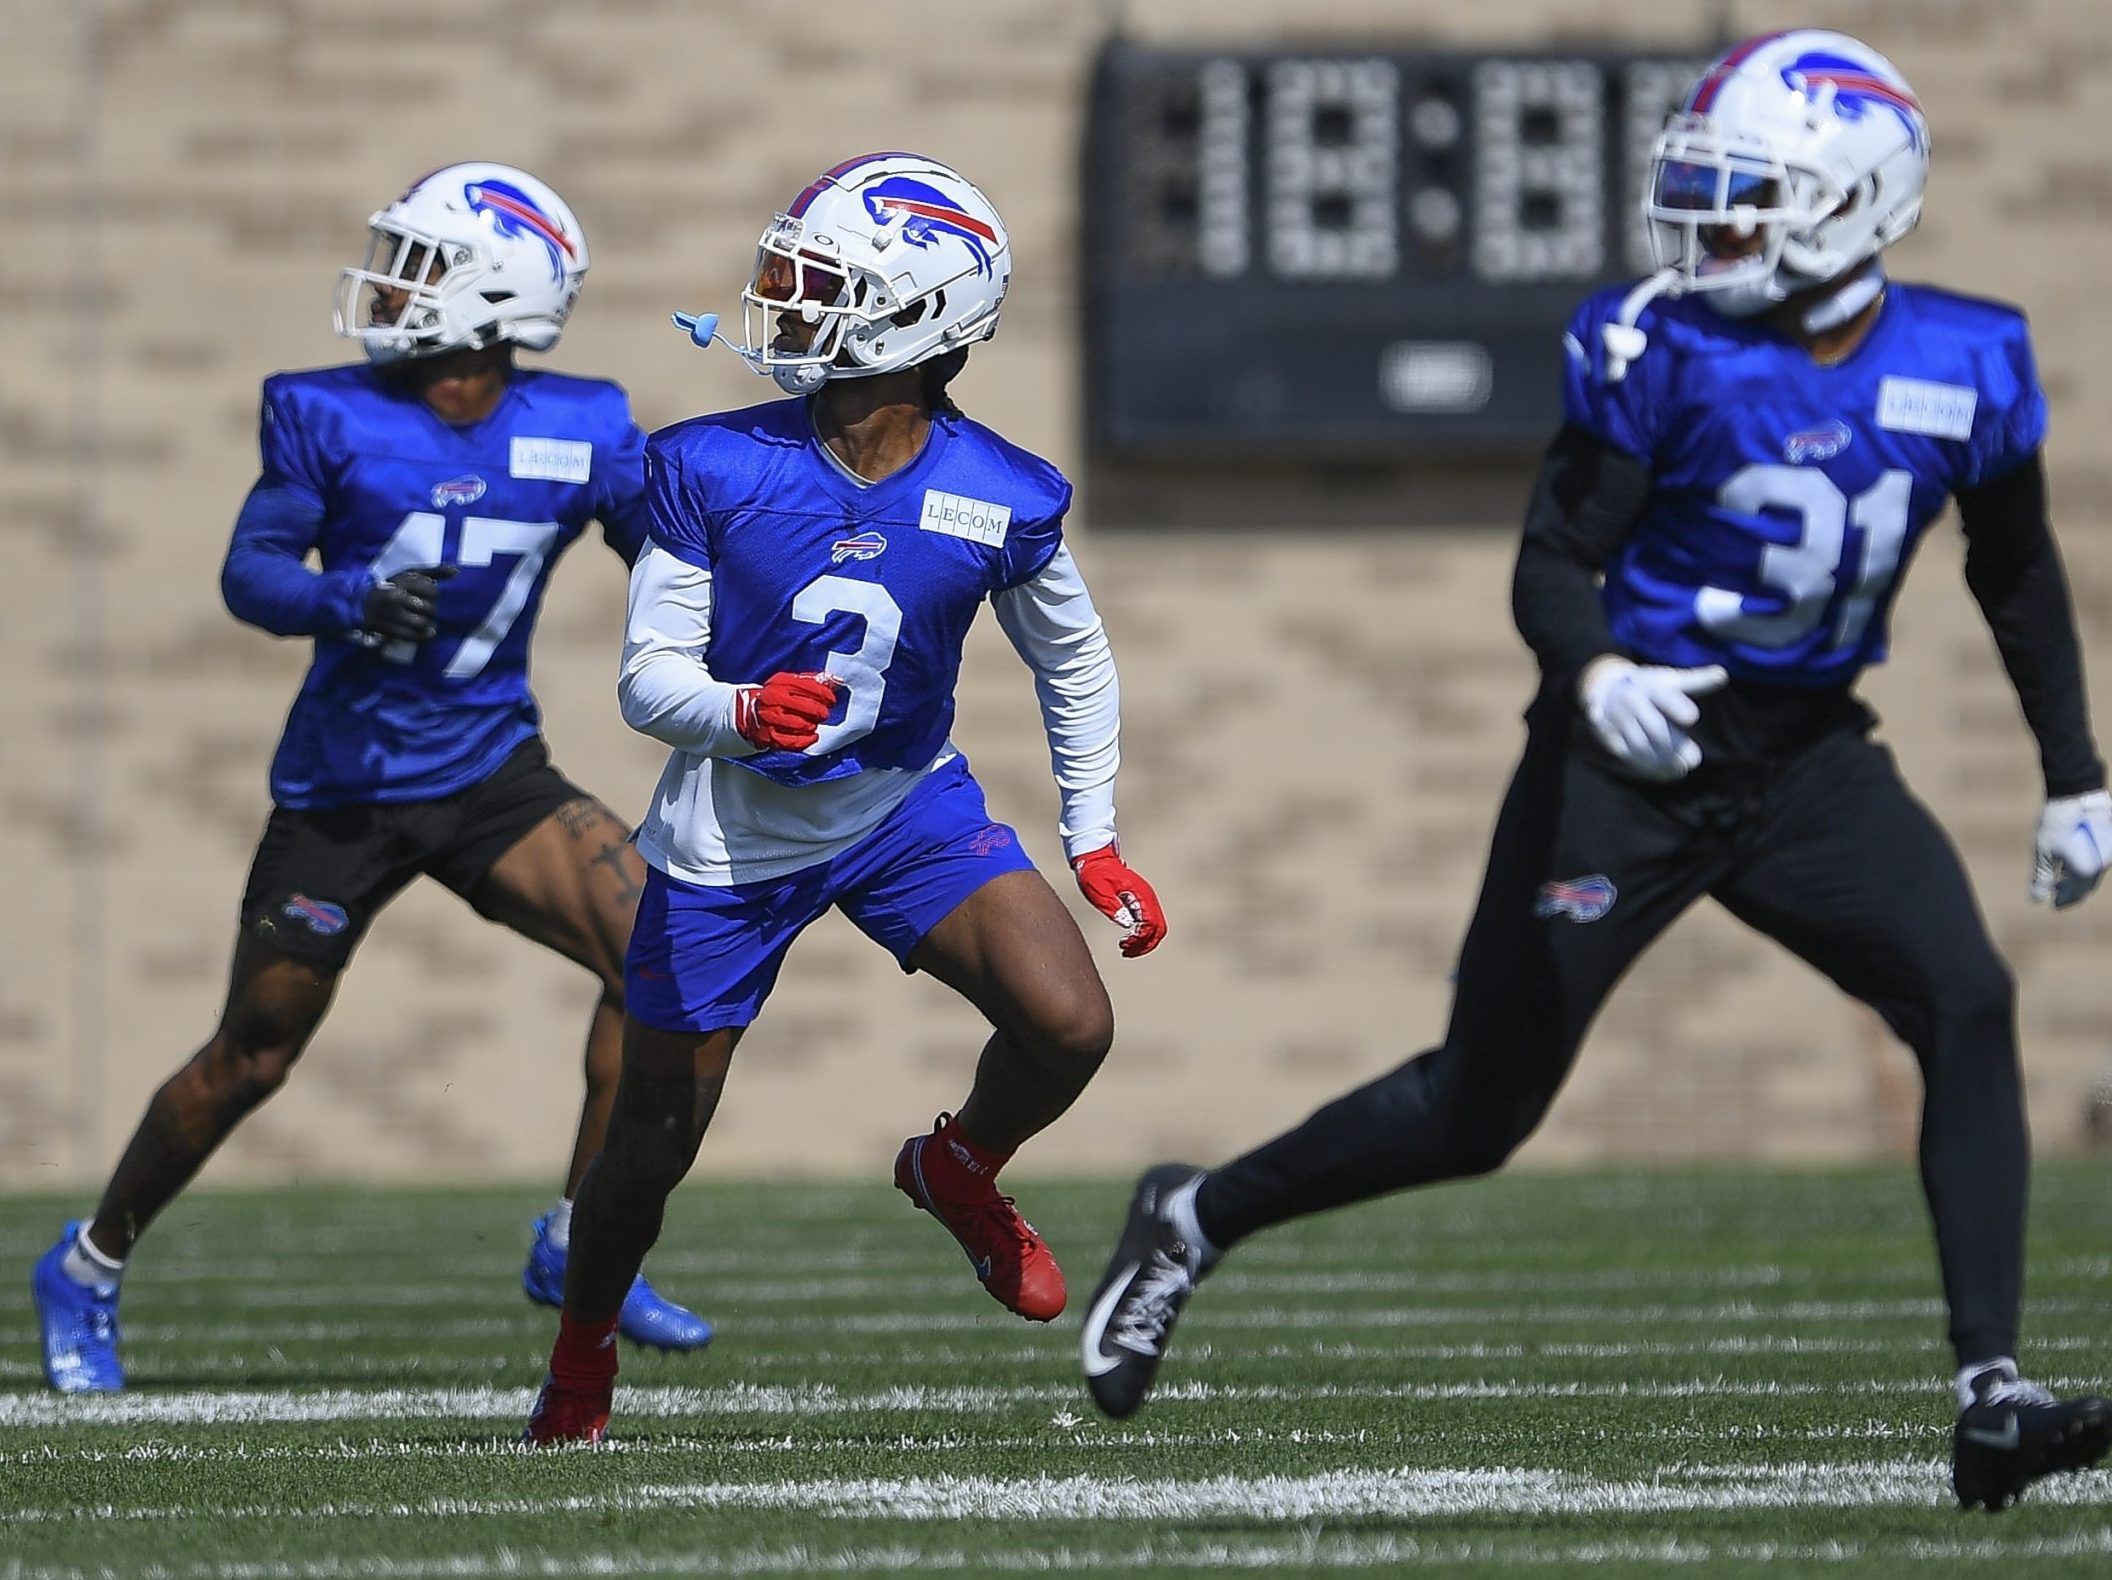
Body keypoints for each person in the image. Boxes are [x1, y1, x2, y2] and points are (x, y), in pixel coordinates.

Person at [1079, 32, 2112, 1514]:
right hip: (1629, 761)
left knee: (1969, 998)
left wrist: (2073, 771)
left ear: (1857, 203)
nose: (1709, 234)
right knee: (1479, 1110)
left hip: (1811, 757)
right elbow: (1554, 559)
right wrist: (1598, 674)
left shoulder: (1970, 357)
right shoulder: (1662, 346)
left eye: (1746, 202)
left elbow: (2016, 572)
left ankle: (1991, 1394)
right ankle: (1194, 1214)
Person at [31, 163, 713, 1394]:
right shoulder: (325, 410)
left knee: (662, 959)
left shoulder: (588, 421)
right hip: (343, 788)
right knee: (254, 1054)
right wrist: (341, 594)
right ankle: (87, 1260)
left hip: (493, 769)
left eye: (422, 262)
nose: (391, 282)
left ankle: (575, 1238)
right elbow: (252, 573)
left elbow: (670, 552)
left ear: (498, 290)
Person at [521, 152, 1166, 1445]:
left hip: (899, 806)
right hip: (731, 832)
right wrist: (744, 711)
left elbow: (1076, 657)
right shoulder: (711, 466)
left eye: (824, 283)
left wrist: (1092, 835)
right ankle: (581, 1354)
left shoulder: (1003, 492)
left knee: (1071, 1023)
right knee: (651, 1140)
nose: (785, 300)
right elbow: (650, 682)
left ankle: (956, 1163)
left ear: (921, 321)